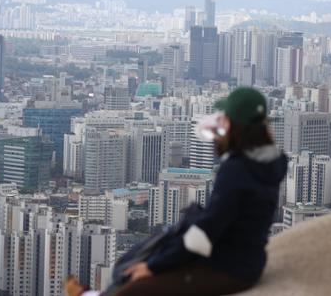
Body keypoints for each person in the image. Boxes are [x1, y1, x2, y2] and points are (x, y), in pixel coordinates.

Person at [66, 87, 287, 296]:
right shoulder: (272, 161)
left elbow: (205, 234)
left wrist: (154, 266)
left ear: (231, 125)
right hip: (247, 262)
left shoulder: (237, 169)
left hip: (227, 268)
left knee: (136, 286)